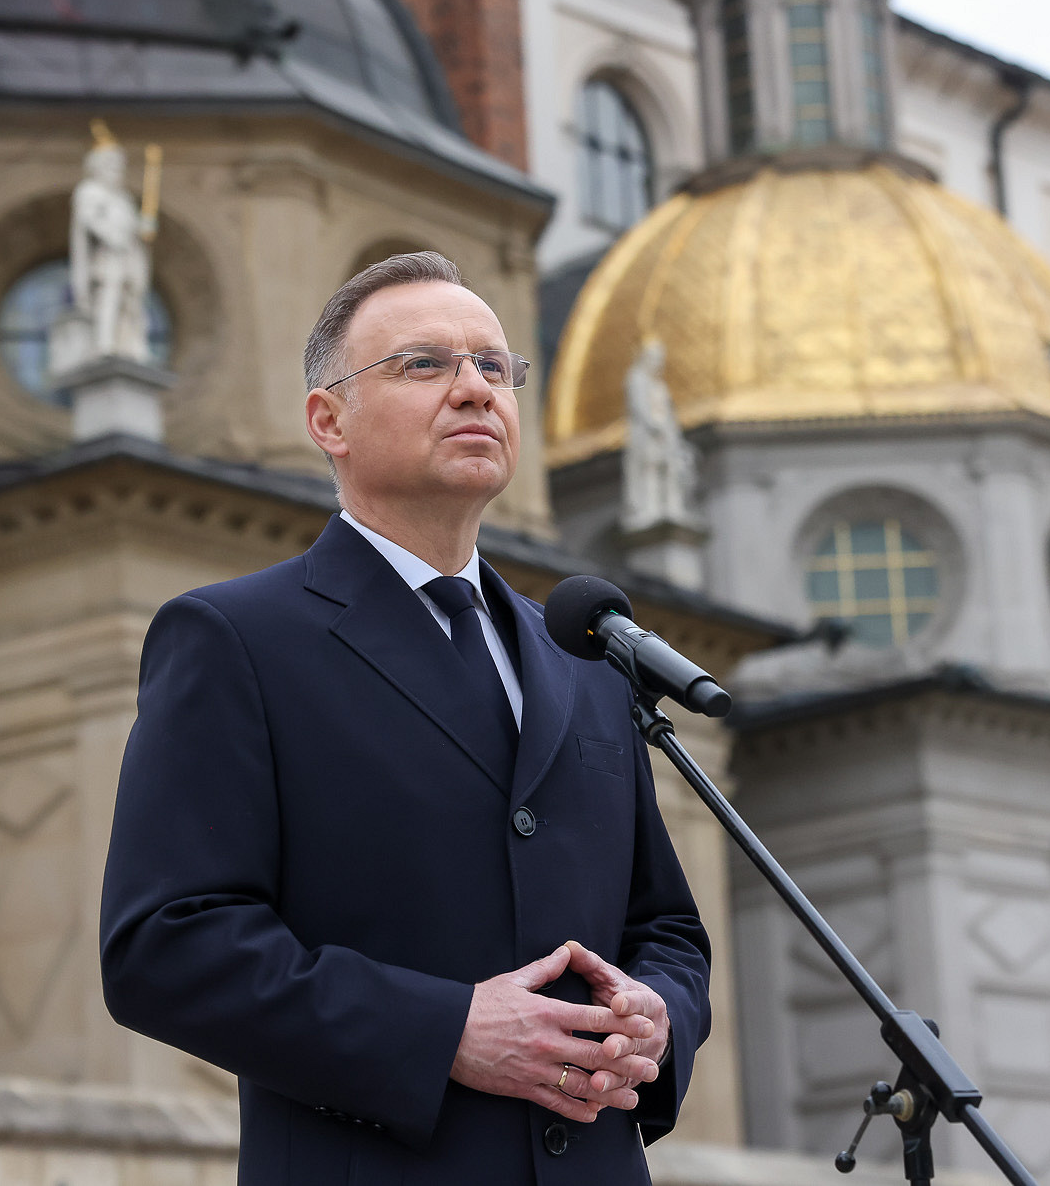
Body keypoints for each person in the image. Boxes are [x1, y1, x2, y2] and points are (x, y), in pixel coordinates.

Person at [100, 251, 712, 1184]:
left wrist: (658, 1014)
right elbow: (165, 943)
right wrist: (447, 1031)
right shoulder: (235, 638)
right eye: (426, 364)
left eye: (495, 368)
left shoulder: (583, 661)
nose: (474, 389)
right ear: (328, 420)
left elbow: (665, 927)